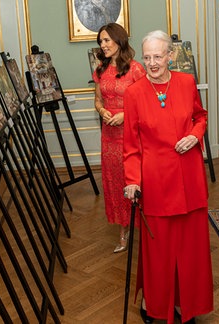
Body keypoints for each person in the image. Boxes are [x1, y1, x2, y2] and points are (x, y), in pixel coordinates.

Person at [123, 30, 213, 323]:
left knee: (191, 251)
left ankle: (187, 307)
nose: (152, 63)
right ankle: (155, 304)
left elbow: (200, 117)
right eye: (147, 57)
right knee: (159, 252)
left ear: (170, 56)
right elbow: (131, 145)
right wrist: (133, 180)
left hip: (190, 180)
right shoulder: (134, 93)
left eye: (158, 56)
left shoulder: (186, 83)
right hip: (156, 182)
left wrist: (194, 135)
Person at [92, 23, 145, 253]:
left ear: (118, 40)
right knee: (115, 182)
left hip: (132, 135)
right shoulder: (100, 70)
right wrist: (102, 111)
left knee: (135, 179)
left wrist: (125, 114)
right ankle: (123, 231)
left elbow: (145, 103)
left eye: (106, 40)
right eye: (100, 42)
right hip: (109, 137)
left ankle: (146, 228)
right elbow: (97, 100)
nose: (103, 45)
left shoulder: (136, 70)